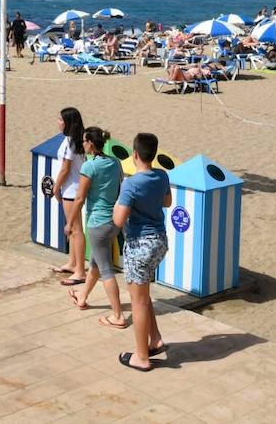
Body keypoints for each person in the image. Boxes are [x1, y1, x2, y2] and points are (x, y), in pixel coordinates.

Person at [113, 131, 171, 371]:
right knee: (144, 295)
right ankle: (155, 339)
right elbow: (167, 202)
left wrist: (119, 200)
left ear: (135, 154)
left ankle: (141, 356)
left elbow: (118, 220)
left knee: (137, 301)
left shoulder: (131, 184)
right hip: (159, 240)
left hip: (139, 245)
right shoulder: (162, 175)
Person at [69, 126, 125, 329]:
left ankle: (118, 315)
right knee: (95, 262)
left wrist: (69, 222)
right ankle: (82, 297)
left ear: (91, 143)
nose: (82, 144)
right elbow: (120, 188)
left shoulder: (89, 167)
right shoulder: (115, 162)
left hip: (97, 223)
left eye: (84, 141)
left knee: (106, 270)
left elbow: (80, 198)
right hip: (114, 221)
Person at [51, 107, 88, 286]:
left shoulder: (71, 142)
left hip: (72, 191)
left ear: (68, 123)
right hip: (73, 189)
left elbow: (65, 169)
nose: (58, 122)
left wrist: (55, 188)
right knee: (74, 229)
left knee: (75, 229)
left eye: (60, 120)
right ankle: (73, 263)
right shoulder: (76, 140)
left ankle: (80, 270)